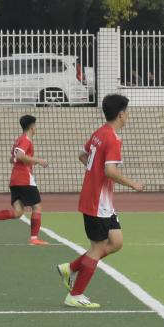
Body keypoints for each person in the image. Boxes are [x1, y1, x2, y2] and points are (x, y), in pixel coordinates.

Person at [57, 94, 145, 309]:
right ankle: (75, 294)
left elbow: (82, 155)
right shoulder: (113, 139)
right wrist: (133, 184)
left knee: (116, 242)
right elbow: (110, 171)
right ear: (121, 114)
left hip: (101, 202)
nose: (128, 115)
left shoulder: (99, 132)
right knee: (97, 248)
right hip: (97, 203)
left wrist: (95, 170)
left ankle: (71, 267)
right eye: (127, 111)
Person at [0, 114, 50, 245]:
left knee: (18, 212)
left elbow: (12, 159)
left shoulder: (18, 140)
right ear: (32, 127)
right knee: (37, 206)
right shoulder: (26, 140)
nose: (36, 128)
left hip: (15, 180)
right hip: (24, 179)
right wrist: (38, 160)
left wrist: (29, 161)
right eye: (35, 126)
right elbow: (20, 156)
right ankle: (34, 238)